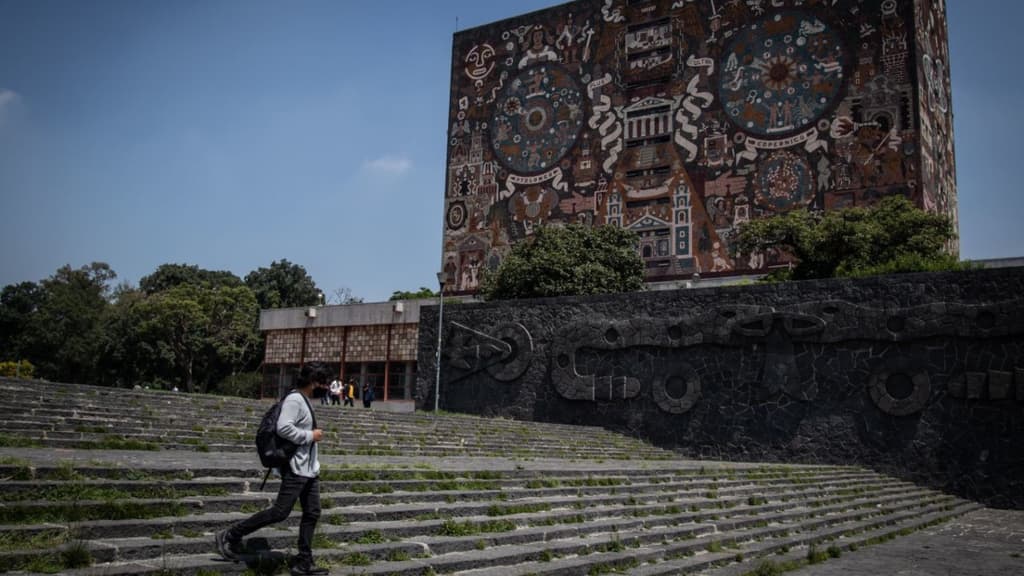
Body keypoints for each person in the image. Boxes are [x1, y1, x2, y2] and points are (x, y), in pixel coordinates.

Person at [215, 362, 328, 576]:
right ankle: (230, 535)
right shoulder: (295, 399)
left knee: (312, 512)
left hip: (309, 469)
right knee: (280, 512)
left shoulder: (304, 400)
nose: (325, 387)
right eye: (323, 382)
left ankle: (304, 561)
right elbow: (283, 427)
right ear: (313, 382)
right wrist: (310, 436)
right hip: (296, 468)